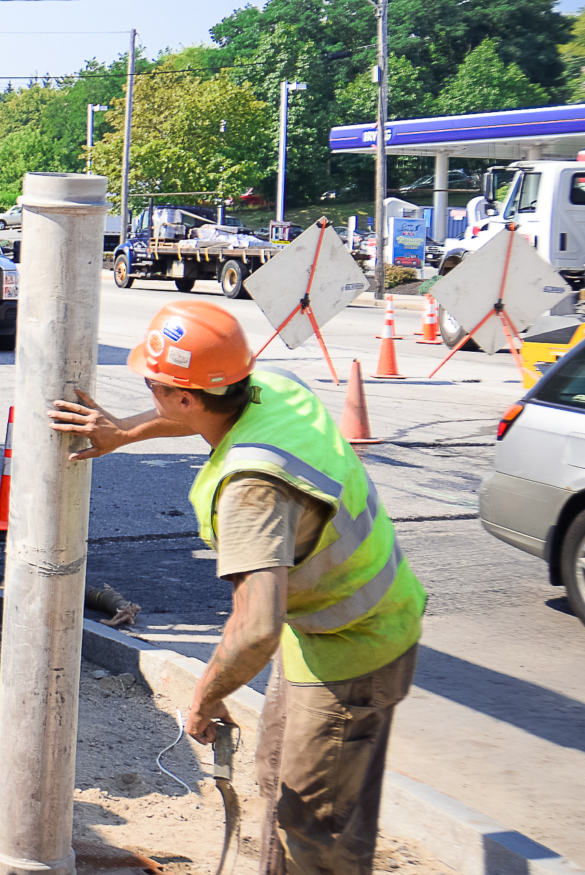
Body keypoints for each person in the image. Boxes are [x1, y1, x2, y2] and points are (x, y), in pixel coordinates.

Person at [49, 300, 426, 875]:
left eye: (153, 385)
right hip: (330, 625)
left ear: (186, 397)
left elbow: (255, 631)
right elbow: (197, 413)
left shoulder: (252, 491)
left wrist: (205, 696)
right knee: (279, 775)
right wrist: (124, 431)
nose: (149, 391)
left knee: (318, 825)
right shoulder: (270, 389)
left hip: (355, 647)